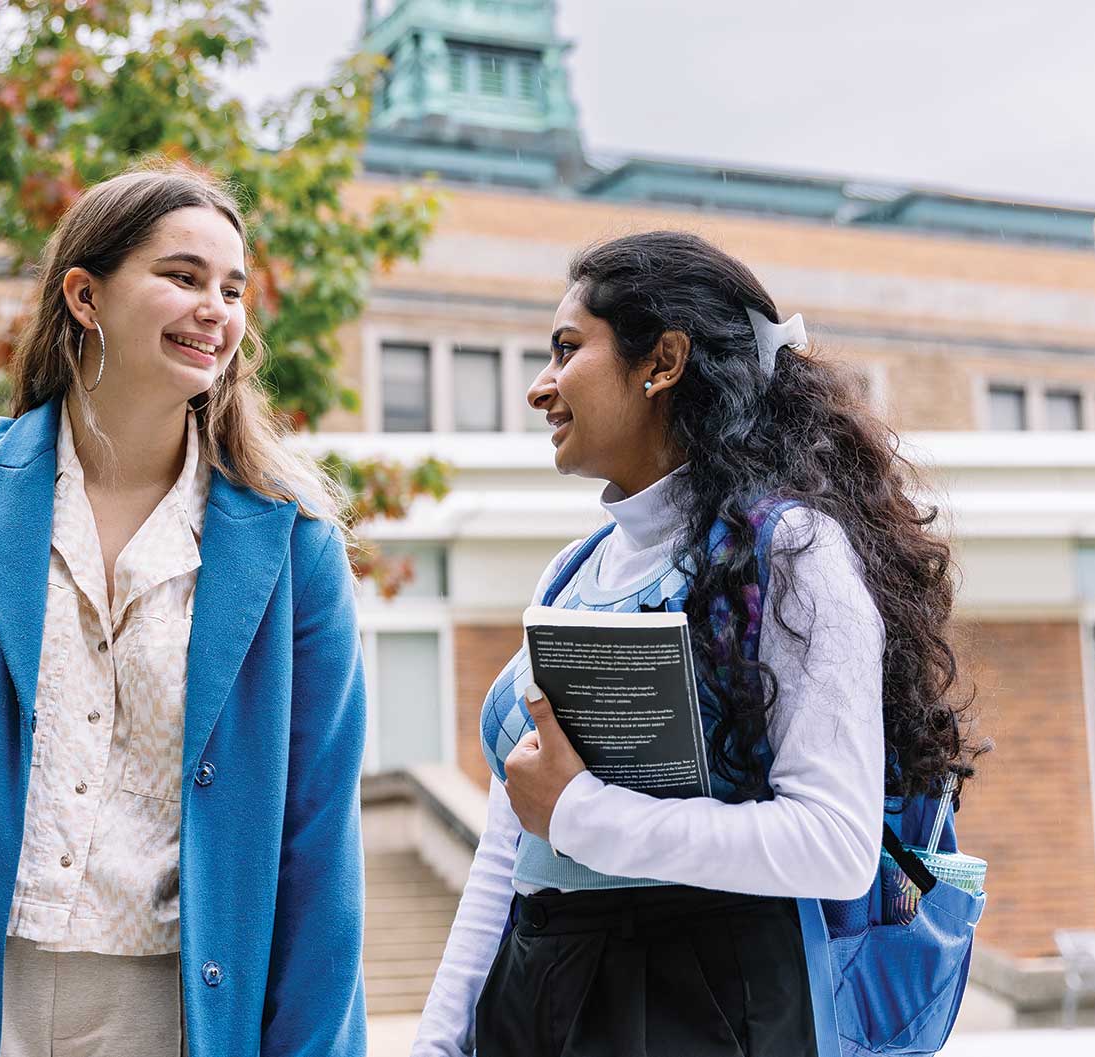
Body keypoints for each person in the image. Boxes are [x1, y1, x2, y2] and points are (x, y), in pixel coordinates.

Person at [0, 165, 369, 1057]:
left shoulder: (294, 550)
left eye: (232, 289)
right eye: (182, 276)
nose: (215, 307)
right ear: (85, 296)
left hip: (171, 1008)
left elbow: (317, 835)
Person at [411, 230, 980, 1057]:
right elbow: (511, 844)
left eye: (567, 350)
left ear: (663, 361)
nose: (541, 388)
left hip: (705, 1009)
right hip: (533, 998)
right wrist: (441, 1037)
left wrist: (583, 814)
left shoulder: (792, 553)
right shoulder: (570, 572)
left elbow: (833, 845)